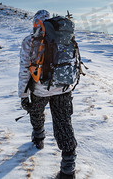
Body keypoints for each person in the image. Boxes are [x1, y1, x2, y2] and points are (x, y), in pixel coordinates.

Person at [18, 10, 77, 179]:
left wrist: (23, 95)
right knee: (63, 123)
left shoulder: (30, 41)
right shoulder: (64, 37)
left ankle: (38, 138)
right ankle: (68, 169)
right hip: (63, 88)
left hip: (40, 90)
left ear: (36, 23)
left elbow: (24, 70)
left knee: (36, 112)